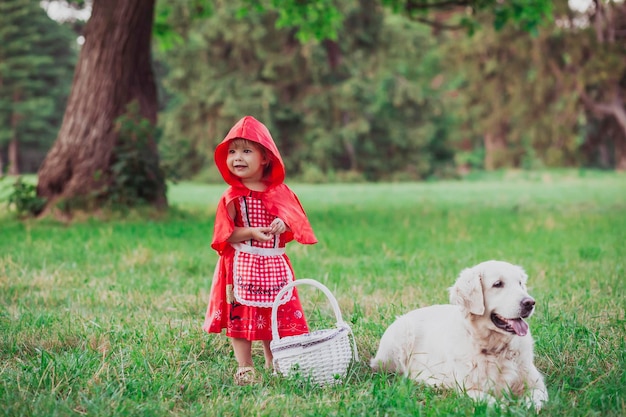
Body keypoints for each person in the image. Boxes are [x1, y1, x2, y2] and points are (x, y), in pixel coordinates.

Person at [203, 115, 317, 385]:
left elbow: (295, 220)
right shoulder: (232, 195)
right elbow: (225, 233)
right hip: (241, 264)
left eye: (246, 151)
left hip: (273, 264)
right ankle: (245, 365)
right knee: (240, 315)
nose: (237, 157)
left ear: (265, 157)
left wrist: (283, 222)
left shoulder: (280, 192)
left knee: (272, 314)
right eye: (232, 151)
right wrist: (251, 232)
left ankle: (273, 359)